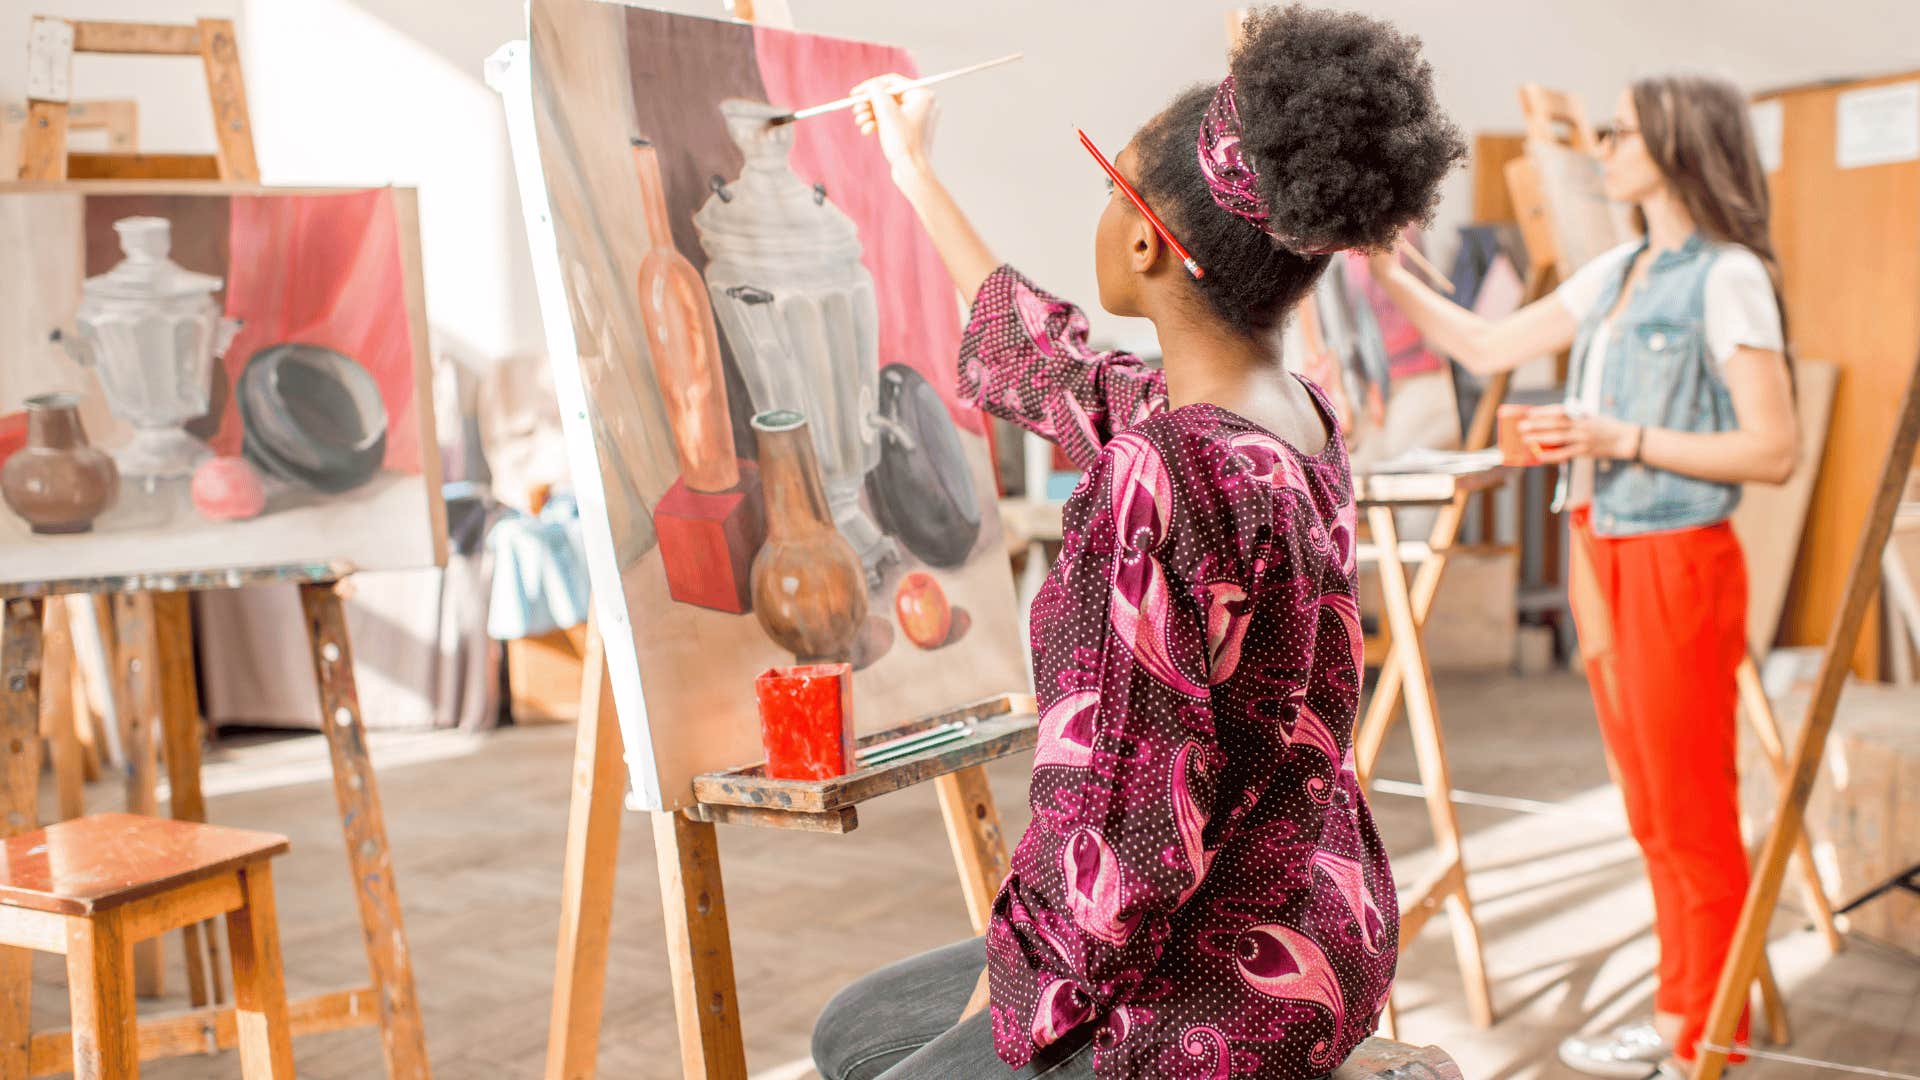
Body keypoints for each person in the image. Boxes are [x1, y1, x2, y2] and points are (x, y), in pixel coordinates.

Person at [808, 7, 1465, 1078]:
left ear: (1145, 237)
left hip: (1209, 995)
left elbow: (1118, 841)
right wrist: (912, 173)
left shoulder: (1163, 472)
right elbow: (1054, 368)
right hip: (1320, 915)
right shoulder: (1286, 418)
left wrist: (1016, 986)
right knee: (857, 1028)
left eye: (1106, 183)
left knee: (886, 1062)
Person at [1369, 75, 1797, 1079]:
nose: (1602, 145)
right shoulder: (1619, 273)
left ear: (1681, 144)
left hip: (1675, 558)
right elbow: (1482, 343)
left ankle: (1706, 1042)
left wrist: (1620, 435)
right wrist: (1384, 271)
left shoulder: (1726, 276)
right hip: (1600, 550)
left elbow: (1773, 448)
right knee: (1650, 811)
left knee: (1689, 814)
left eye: (1621, 131)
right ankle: (1684, 1013)